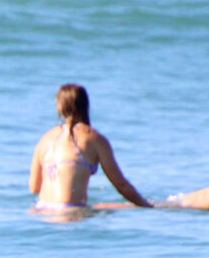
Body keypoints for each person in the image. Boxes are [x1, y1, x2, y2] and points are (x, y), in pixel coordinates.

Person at [29, 83, 151, 211]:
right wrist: (147, 206)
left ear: (59, 107)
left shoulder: (45, 139)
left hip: (41, 210)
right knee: (117, 210)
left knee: (104, 206)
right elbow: (121, 185)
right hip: (70, 213)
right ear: (85, 106)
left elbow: (34, 188)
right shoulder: (94, 139)